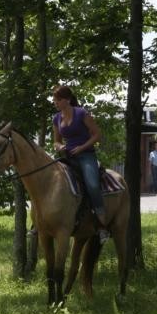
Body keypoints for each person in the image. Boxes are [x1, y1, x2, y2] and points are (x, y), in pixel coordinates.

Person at [52, 85, 110, 243]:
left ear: (67, 100)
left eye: (58, 99)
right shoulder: (56, 118)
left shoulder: (82, 113)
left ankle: (101, 225)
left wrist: (82, 147)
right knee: (49, 180)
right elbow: (56, 142)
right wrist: (60, 147)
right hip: (67, 156)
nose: (55, 102)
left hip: (86, 155)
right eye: (54, 99)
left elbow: (97, 134)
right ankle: (40, 222)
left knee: (92, 185)